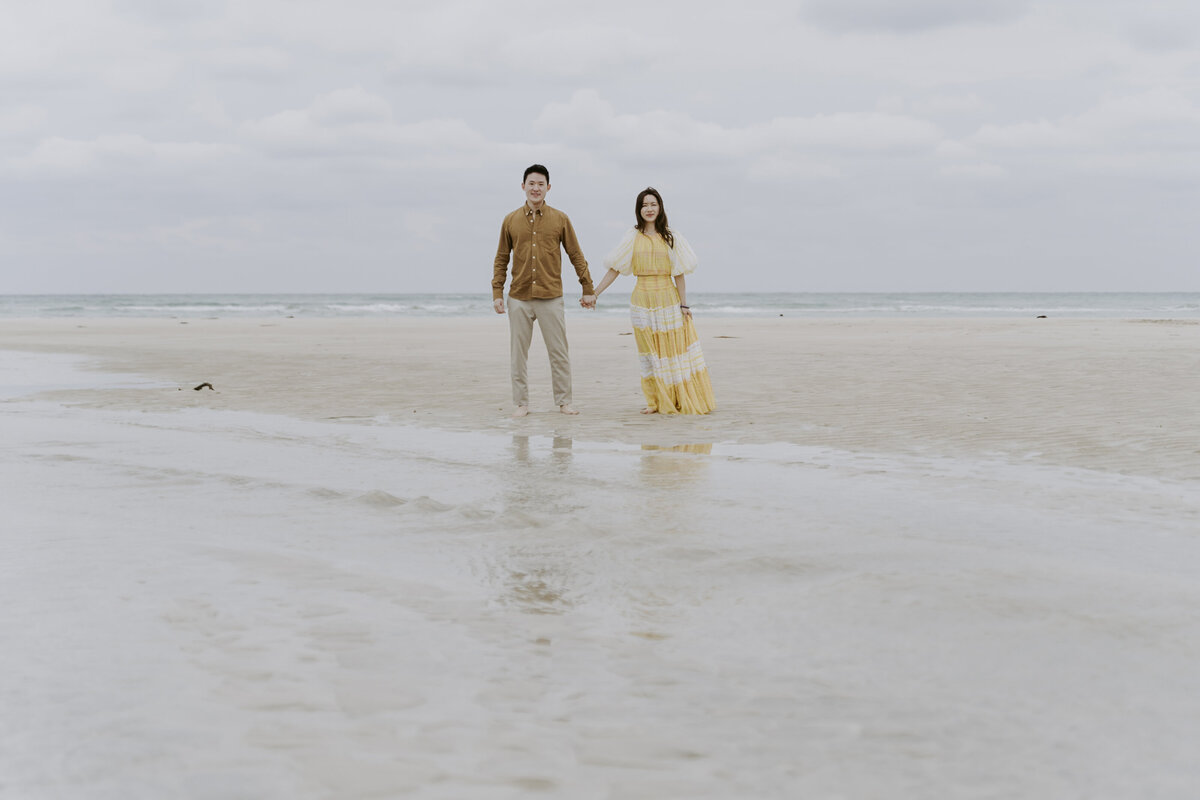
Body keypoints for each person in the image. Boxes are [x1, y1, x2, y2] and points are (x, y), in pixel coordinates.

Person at [592, 187, 715, 415]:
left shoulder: (671, 236)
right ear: (639, 210)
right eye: (644, 205)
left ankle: (676, 399)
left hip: (667, 298)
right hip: (641, 300)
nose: (649, 209)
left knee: (671, 352)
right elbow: (615, 268)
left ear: (660, 207)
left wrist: (684, 304)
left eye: (653, 204)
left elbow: (679, 273)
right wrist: (595, 293)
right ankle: (654, 402)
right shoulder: (632, 236)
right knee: (649, 354)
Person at [493, 164, 596, 418]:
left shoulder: (560, 219)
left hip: (551, 297)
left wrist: (587, 287)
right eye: (531, 183)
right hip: (518, 297)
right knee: (518, 354)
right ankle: (521, 403)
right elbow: (501, 258)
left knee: (559, 352)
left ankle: (564, 402)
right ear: (523, 187)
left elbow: (575, 254)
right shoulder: (510, 220)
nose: (535, 188)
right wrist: (497, 292)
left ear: (548, 187)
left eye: (541, 184)